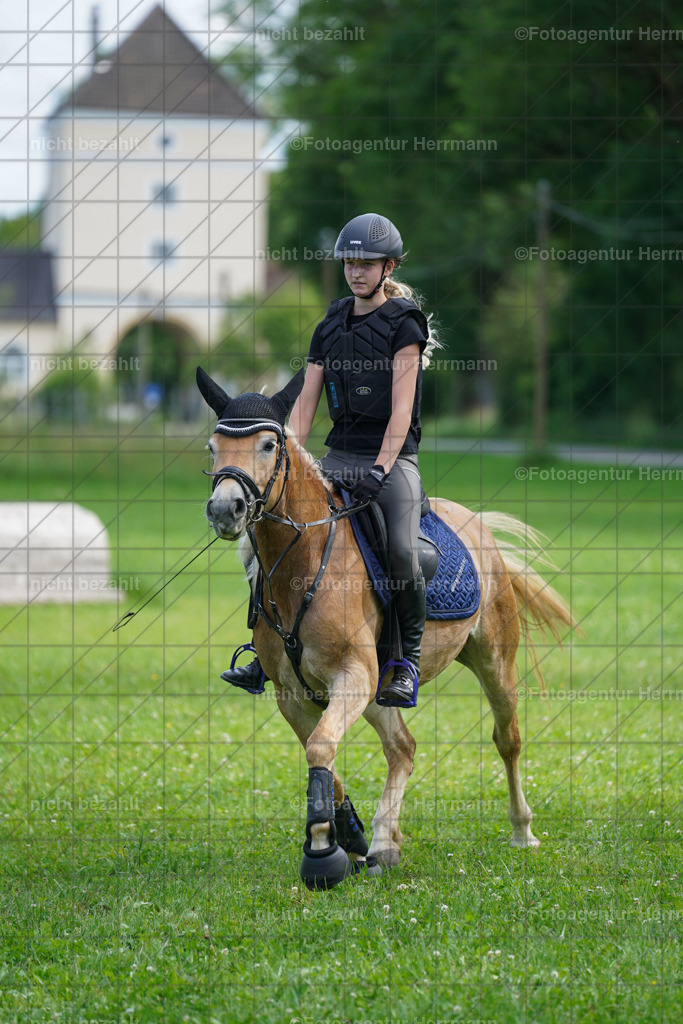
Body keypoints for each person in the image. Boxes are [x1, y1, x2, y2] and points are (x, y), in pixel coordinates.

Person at [222, 212, 440, 707]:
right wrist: (289, 461)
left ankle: (405, 662)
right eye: (349, 263)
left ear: (388, 267)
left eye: (366, 264)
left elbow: (401, 412)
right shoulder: (330, 324)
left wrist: (381, 470)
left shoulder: (405, 324)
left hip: (393, 462)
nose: (356, 272)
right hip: (337, 457)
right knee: (267, 533)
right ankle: (264, 649)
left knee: (402, 551)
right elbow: (304, 407)